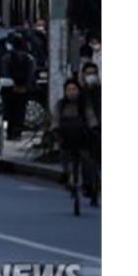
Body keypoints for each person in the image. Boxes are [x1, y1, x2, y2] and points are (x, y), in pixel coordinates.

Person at [52, 78, 100, 206]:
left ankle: (88, 185)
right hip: (66, 137)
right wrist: (55, 129)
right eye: (69, 90)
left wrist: (94, 127)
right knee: (64, 154)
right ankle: (67, 175)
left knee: (87, 160)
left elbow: (91, 118)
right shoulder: (61, 105)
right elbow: (56, 119)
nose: (71, 92)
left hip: (82, 137)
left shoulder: (84, 105)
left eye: (74, 89)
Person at [0, 33, 36, 141]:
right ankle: (17, 133)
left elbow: (5, 72)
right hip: (22, 90)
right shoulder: (29, 58)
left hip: (10, 89)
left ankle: (12, 133)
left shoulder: (7, 57)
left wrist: (12, 86)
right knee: (20, 111)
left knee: (11, 111)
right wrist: (26, 88)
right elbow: (31, 75)